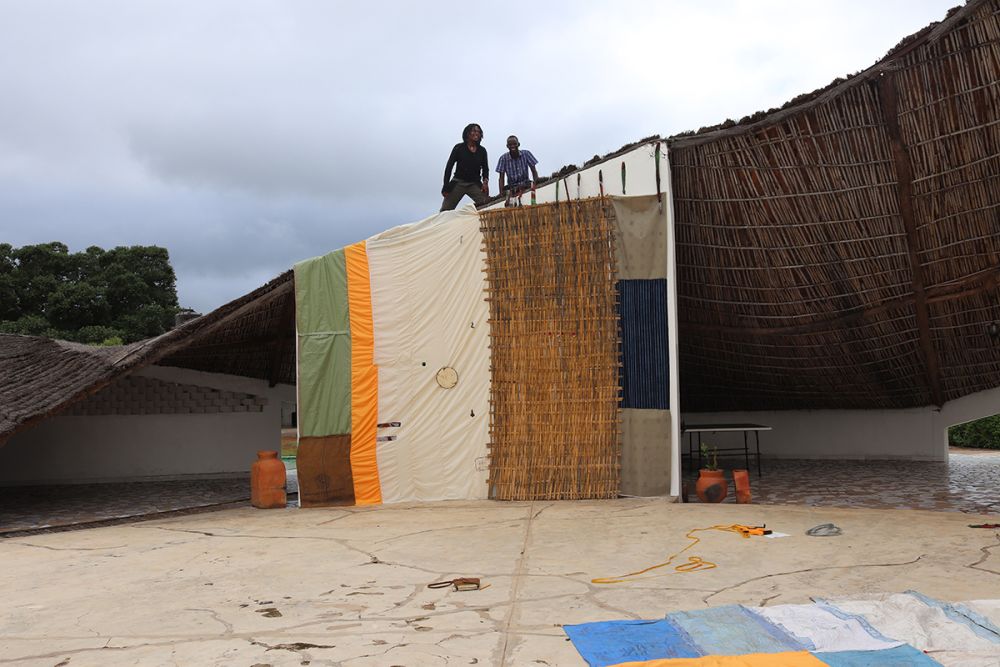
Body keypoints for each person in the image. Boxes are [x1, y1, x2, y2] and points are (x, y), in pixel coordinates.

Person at [440, 123, 490, 211]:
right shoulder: (458, 148)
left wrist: (485, 182)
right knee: (445, 210)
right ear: (467, 133)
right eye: (474, 131)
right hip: (458, 182)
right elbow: (449, 167)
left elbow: (485, 168)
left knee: (488, 205)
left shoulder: (482, 151)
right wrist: (446, 186)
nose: (476, 133)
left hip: (474, 183)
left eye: (479, 132)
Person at [496, 135, 539, 205]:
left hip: (526, 184)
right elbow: (501, 178)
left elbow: (533, 171)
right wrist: (501, 193)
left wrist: (537, 183)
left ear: (518, 144)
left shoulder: (526, 154)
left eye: (514, 144)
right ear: (507, 146)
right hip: (511, 187)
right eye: (510, 145)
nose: (512, 146)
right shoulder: (503, 158)